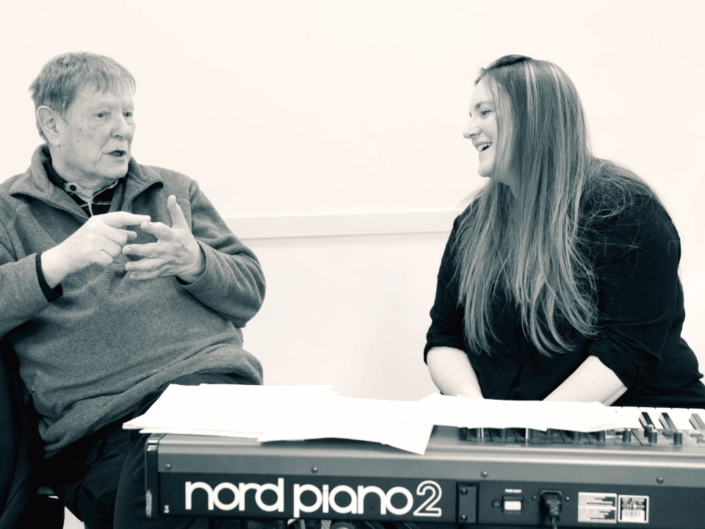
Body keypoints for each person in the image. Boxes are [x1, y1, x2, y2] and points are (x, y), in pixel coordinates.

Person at [0, 52, 266, 528]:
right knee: (177, 491)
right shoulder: (8, 213)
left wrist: (196, 262)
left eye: (128, 113)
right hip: (98, 429)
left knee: (180, 479)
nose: (123, 128)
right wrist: (59, 260)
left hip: (206, 391)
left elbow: (250, 291)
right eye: (103, 114)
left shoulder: (174, 191)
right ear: (52, 124)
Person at [425, 55, 705, 408]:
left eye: (485, 112)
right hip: (515, 427)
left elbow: (624, 352)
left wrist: (529, 428)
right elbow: (445, 337)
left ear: (532, 117)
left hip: (636, 416)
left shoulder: (625, 210)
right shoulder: (473, 223)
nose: (468, 130)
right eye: (470, 115)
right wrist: (477, 412)